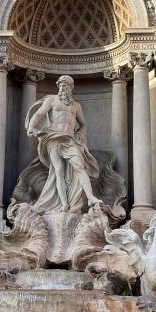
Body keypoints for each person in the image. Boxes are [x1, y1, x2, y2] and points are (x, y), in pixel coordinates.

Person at [25, 75, 102, 213]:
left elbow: (83, 124)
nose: (62, 87)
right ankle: (64, 204)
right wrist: (31, 127)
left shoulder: (76, 106)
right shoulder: (51, 100)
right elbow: (39, 114)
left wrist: (80, 135)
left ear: (71, 87)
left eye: (65, 85)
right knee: (58, 171)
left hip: (69, 139)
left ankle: (90, 197)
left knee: (80, 167)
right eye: (60, 85)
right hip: (53, 137)